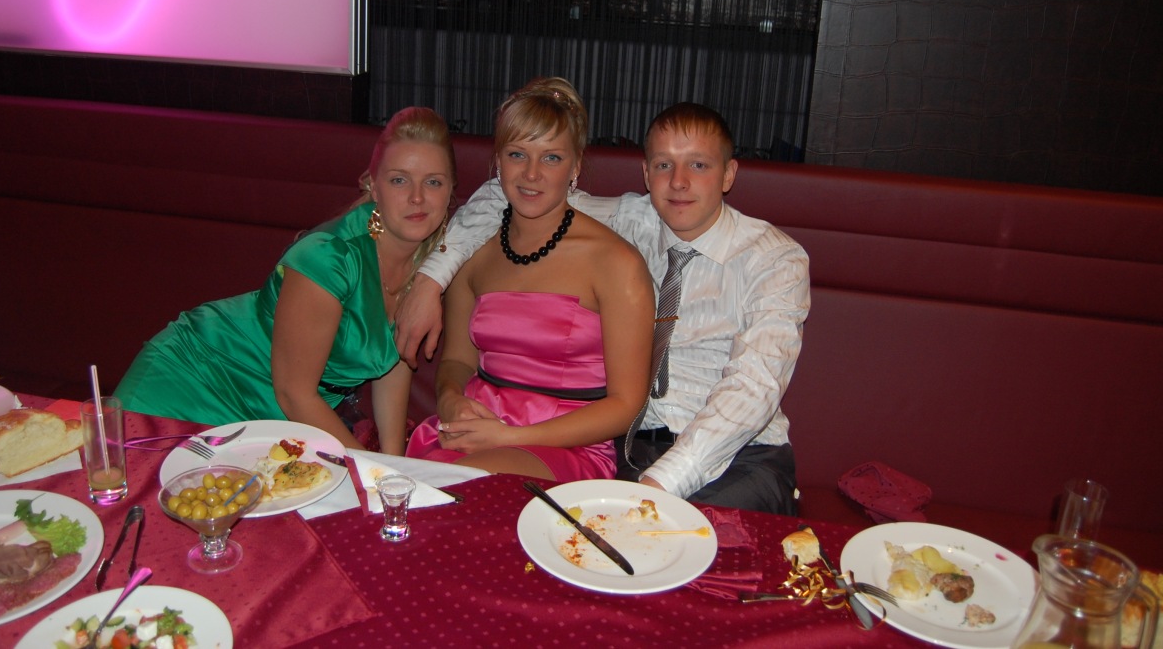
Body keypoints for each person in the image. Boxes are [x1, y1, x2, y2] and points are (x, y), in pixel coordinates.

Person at [402, 103, 809, 513]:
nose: (679, 182)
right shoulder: (632, 219)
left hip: (741, 455)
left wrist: (658, 486)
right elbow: (506, 194)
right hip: (635, 448)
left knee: (666, 534)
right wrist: (430, 279)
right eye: (664, 165)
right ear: (646, 174)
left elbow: (752, 390)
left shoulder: (774, 259)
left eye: (698, 165)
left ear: (728, 174)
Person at [116, 107, 456, 455]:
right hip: (194, 381)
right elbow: (295, 394)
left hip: (277, 421)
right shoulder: (330, 257)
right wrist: (371, 469)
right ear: (373, 186)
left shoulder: (432, 265)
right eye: (399, 180)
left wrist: (395, 461)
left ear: (450, 192)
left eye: (433, 182)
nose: (417, 197)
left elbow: (393, 361)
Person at [405, 77, 654, 481]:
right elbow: (455, 361)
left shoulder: (616, 263)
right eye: (518, 154)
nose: (532, 174)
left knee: (461, 491)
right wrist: (450, 401)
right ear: (498, 162)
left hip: (566, 447)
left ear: (575, 167)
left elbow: (626, 405)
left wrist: (510, 437)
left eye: (551, 158)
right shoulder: (473, 253)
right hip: (473, 431)